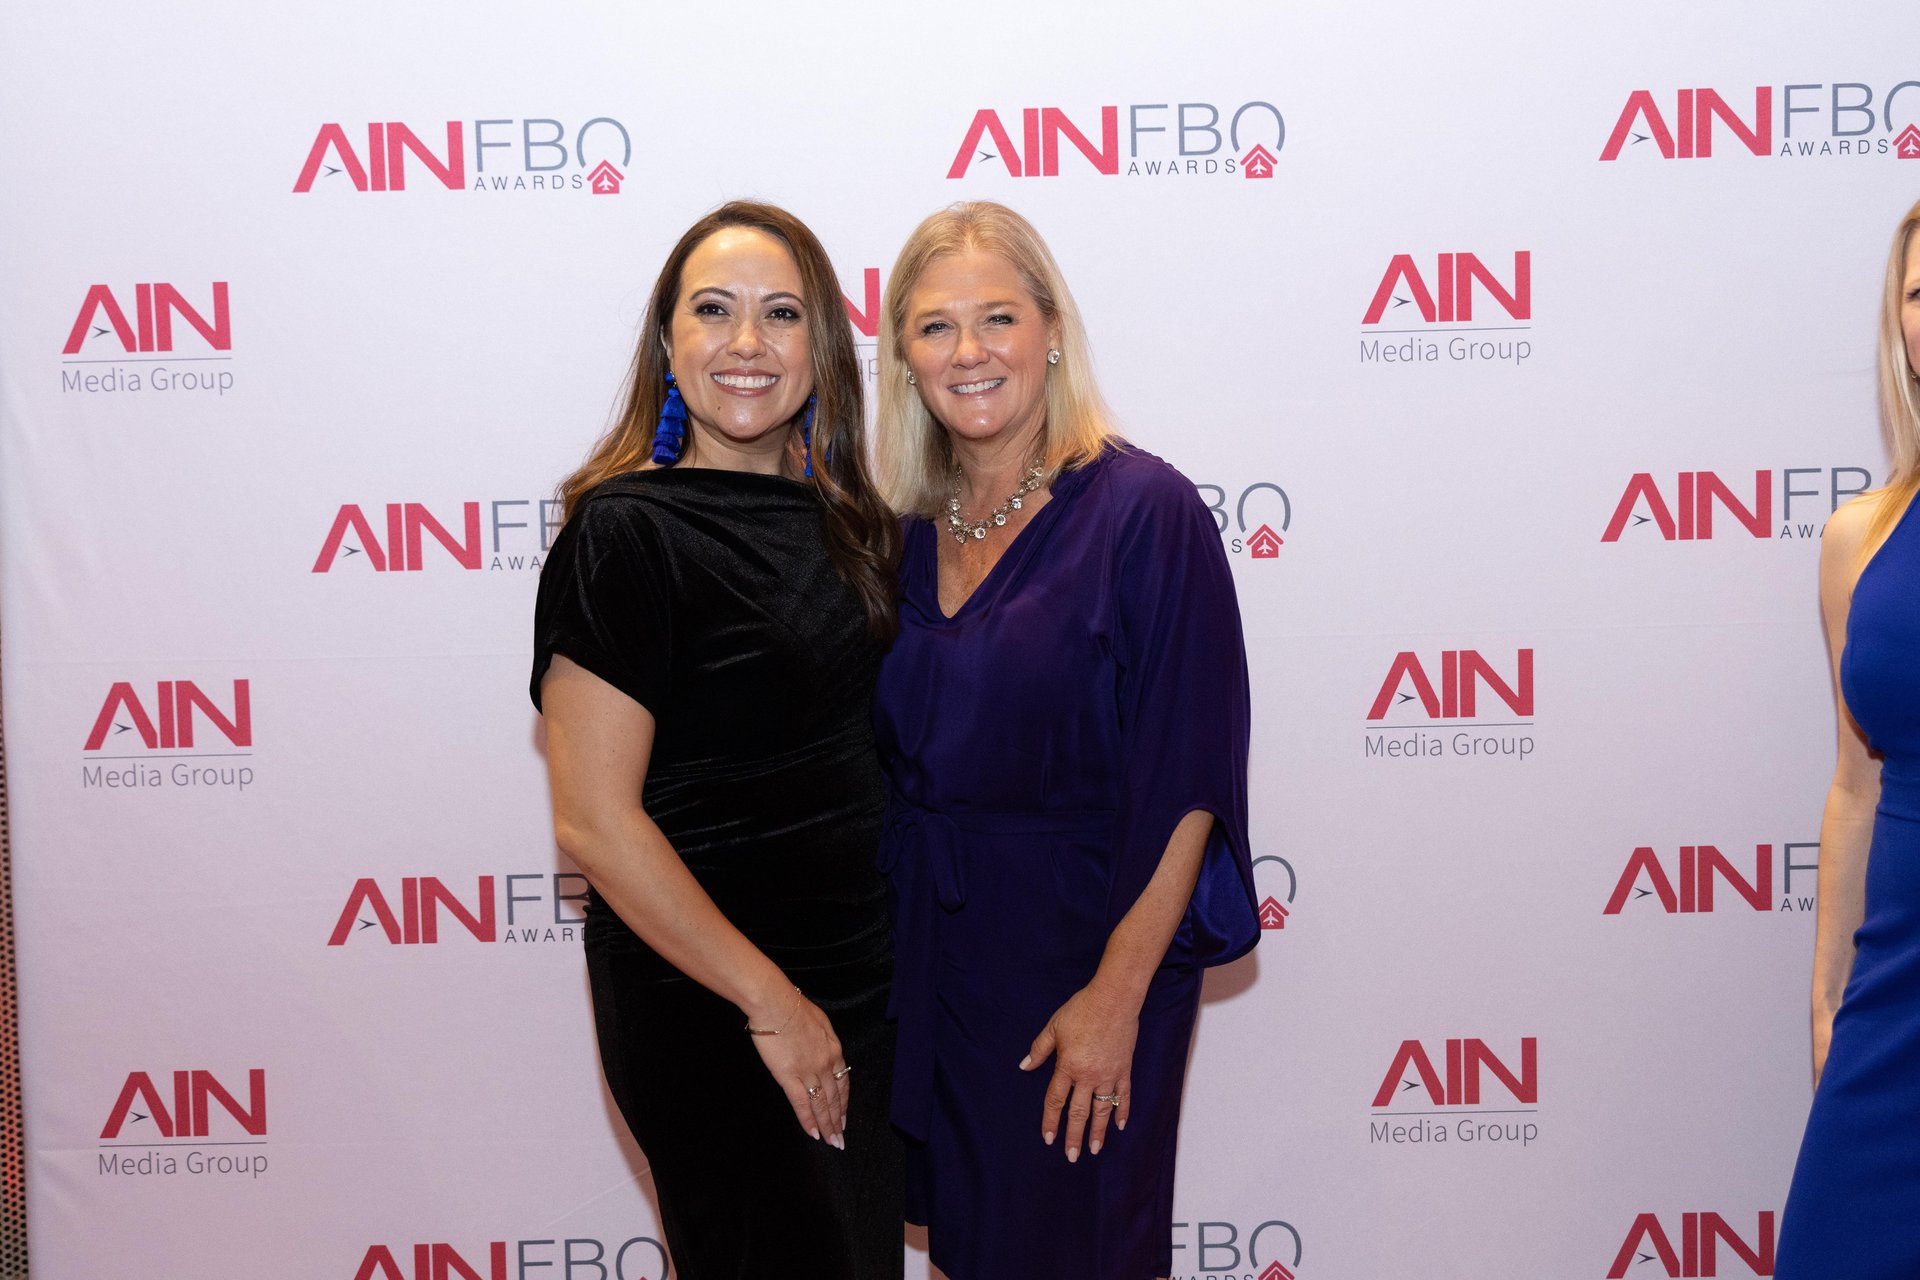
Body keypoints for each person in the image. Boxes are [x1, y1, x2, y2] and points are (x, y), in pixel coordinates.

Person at [870, 201, 1261, 1279]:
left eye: (998, 316)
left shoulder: (1146, 509)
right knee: (967, 1248)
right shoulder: (901, 526)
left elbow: (1190, 779)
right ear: (902, 353)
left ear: (1051, 329)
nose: (971, 351)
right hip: (936, 958)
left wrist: (1114, 996)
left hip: (1079, 961)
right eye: (936, 326)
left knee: (1078, 1248)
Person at [530, 201, 904, 1279]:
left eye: (782, 313)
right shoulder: (625, 532)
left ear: (824, 351)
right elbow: (594, 820)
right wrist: (771, 1003)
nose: (748, 343)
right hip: (711, 1002)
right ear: (668, 343)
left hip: (861, 991)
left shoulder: (861, 530)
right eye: (715, 310)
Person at [1777, 196, 1920, 1279]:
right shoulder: (1858, 538)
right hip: (1895, 1009)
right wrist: (1828, 1000)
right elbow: (1855, 782)